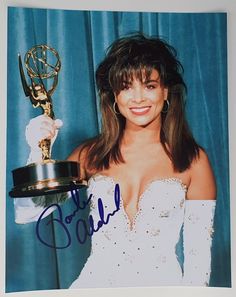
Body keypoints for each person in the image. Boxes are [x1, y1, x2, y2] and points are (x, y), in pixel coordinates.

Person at [14, 33, 216, 288]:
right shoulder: (90, 154)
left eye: (149, 85)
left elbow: (199, 267)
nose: (138, 97)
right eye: (126, 86)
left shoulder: (193, 161)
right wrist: (37, 152)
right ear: (114, 97)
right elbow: (31, 212)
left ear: (165, 91)